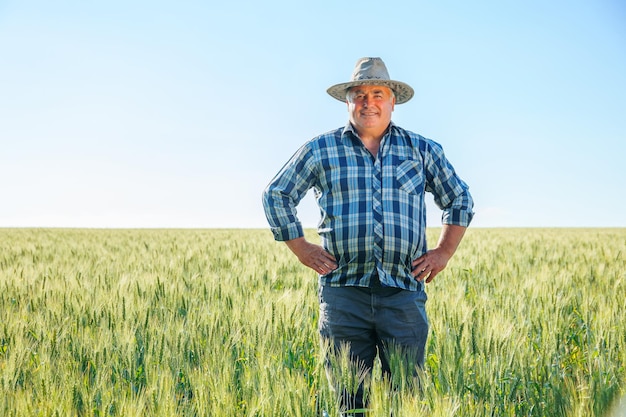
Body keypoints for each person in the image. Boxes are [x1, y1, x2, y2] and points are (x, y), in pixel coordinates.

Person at [262, 57, 474, 416]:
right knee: (349, 400)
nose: (368, 102)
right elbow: (276, 194)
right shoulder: (321, 149)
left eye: (378, 93)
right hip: (344, 294)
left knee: (406, 398)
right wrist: (301, 249)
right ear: (348, 102)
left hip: (403, 294)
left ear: (393, 101)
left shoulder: (422, 150)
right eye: (359, 94)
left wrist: (443, 253)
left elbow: (459, 199)